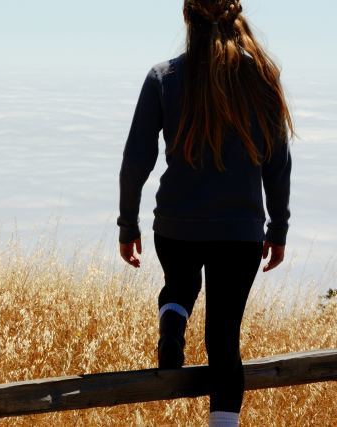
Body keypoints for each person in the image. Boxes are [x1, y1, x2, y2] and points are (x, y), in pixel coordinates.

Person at [116, 0, 294, 425]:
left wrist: (128, 224)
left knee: (178, 285)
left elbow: (135, 160)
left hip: (176, 224)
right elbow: (278, 161)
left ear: (187, 19)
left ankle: (173, 323)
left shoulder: (163, 78)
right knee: (224, 337)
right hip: (240, 231)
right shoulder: (261, 78)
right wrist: (279, 227)